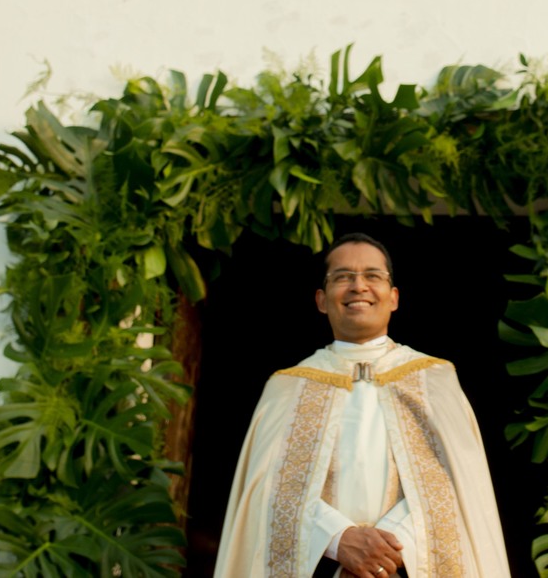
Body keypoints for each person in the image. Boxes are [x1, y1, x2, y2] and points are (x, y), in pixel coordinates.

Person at [214, 232, 509, 578]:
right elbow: (267, 490)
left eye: (373, 275)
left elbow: (456, 486)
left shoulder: (435, 379)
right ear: (321, 300)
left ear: (393, 297)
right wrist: (337, 539)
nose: (358, 286)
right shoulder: (287, 386)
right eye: (343, 277)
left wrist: (388, 545)